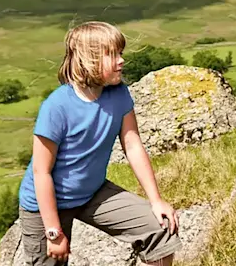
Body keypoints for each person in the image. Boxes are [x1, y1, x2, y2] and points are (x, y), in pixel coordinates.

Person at [17, 21, 180, 266]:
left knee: (160, 228)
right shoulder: (57, 106)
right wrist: (53, 231)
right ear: (89, 60)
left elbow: (132, 144)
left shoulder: (119, 93)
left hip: (92, 193)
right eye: (112, 55)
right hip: (47, 205)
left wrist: (155, 201)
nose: (121, 61)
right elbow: (41, 173)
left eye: (121, 53)